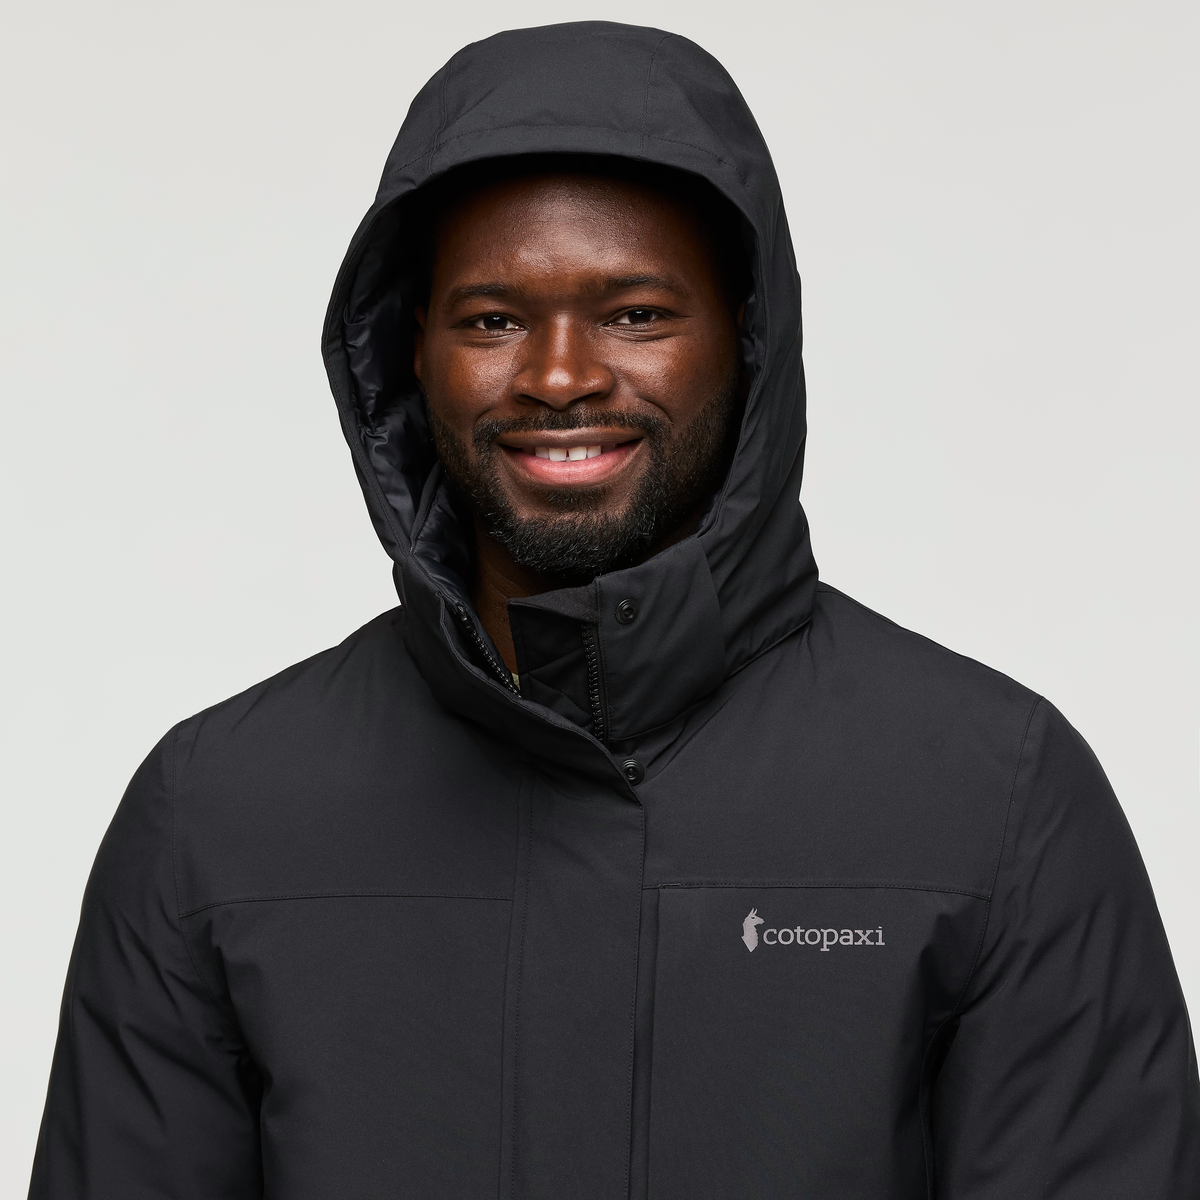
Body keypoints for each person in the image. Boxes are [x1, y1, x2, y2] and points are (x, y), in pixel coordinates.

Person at [29, 21, 1199, 1199]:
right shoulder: (216, 818)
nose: (559, 376)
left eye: (635, 313)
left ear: (748, 339)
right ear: (410, 354)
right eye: (492, 320)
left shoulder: (992, 800)